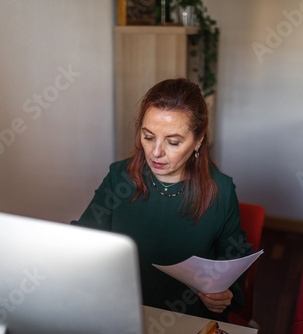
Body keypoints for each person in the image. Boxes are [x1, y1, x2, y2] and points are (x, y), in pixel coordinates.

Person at [71, 78, 252, 321]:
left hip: (189, 316)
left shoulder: (221, 190)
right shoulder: (120, 178)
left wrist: (224, 293)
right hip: (124, 310)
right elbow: (84, 239)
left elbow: (233, 259)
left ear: (198, 140)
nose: (156, 152)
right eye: (148, 137)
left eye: (173, 142)